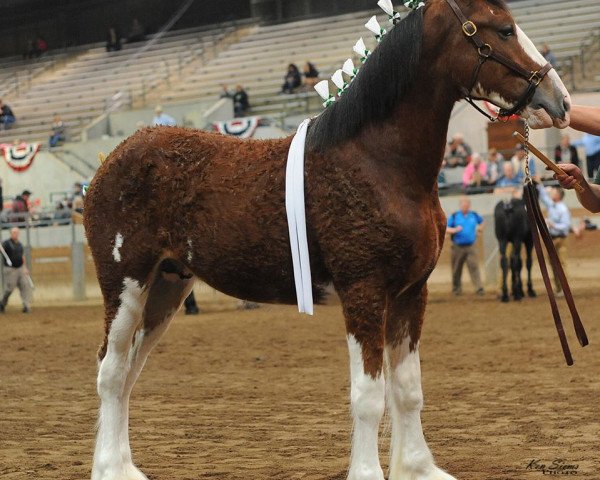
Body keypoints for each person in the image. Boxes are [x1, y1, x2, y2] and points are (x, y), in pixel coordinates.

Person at [536, 184, 571, 297]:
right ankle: (559, 288)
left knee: (561, 263)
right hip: (552, 239)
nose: (551, 193)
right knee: (553, 264)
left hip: (560, 239)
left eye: (554, 192)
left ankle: (565, 289)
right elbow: (543, 197)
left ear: (558, 196)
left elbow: (565, 226)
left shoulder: (563, 209)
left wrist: (553, 225)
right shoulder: (552, 205)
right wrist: (539, 183)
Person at [446, 197, 485, 296]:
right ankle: (456, 289)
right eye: (463, 205)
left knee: (474, 267)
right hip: (457, 247)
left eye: (467, 205)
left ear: (469, 206)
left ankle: (479, 288)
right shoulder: (455, 216)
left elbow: (482, 222)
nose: (465, 206)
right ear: (460, 206)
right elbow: (446, 228)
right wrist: (454, 230)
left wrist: (479, 229)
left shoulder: (474, 215)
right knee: (456, 269)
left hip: (471, 246)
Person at [0, 227, 32, 313]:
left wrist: (25, 267)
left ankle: (26, 305)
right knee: (9, 289)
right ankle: (2, 303)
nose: (15, 234)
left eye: (17, 232)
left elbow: (22, 257)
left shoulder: (20, 245)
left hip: (20, 268)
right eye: (14, 232)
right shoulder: (6, 243)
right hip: (10, 269)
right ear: (11, 233)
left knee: (25, 286)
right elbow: (2, 249)